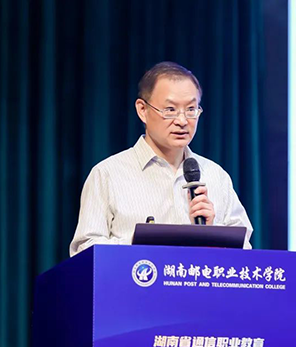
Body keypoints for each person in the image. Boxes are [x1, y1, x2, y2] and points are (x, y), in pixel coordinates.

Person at [69, 61, 253, 256]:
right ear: (143, 110)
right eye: (170, 110)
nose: (182, 121)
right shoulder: (107, 174)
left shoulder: (216, 176)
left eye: (191, 109)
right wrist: (142, 244)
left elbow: (246, 255)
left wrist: (211, 233)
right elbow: (85, 251)